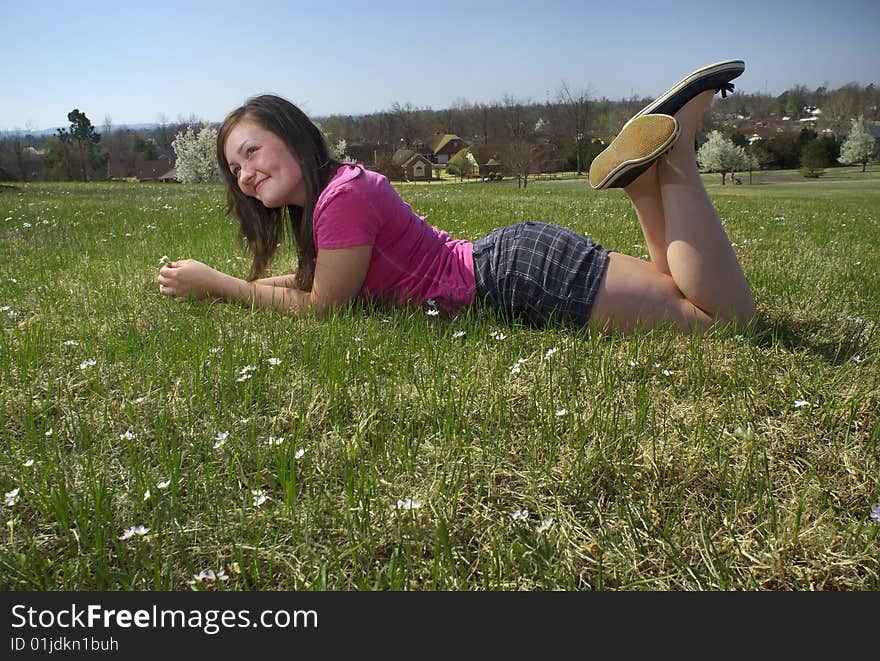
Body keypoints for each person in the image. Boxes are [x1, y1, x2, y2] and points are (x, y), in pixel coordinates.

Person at [157, 60, 755, 334]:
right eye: (233, 167)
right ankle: (643, 184)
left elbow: (322, 309)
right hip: (512, 261)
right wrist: (243, 285)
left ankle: (674, 154)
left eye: (252, 152)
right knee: (675, 287)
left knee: (723, 321)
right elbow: (309, 283)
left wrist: (218, 285)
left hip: (514, 279)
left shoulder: (340, 198)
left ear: (290, 136)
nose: (244, 174)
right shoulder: (332, 198)